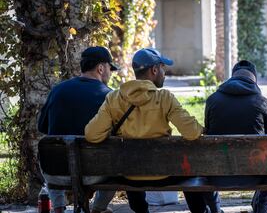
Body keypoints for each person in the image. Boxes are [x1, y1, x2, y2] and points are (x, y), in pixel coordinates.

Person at [85, 48, 204, 213]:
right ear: (154, 70)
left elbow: (92, 134)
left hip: (128, 175)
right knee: (192, 172)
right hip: (164, 174)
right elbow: (192, 133)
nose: (164, 73)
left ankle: (141, 210)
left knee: (131, 165)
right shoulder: (165, 98)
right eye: (163, 68)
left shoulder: (114, 99)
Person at [38, 46, 119, 213]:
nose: (110, 74)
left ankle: (59, 208)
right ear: (101, 68)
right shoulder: (110, 97)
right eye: (110, 69)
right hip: (95, 174)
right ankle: (98, 208)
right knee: (117, 161)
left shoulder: (57, 91)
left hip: (56, 173)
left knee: (51, 150)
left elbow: (42, 127)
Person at [185, 60, 267, 213]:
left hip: (217, 174)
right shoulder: (263, 103)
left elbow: (208, 131)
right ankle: (262, 209)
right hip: (256, 175)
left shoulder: (213, 100)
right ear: (254, 80)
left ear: (232, 78)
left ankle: (215, 209)